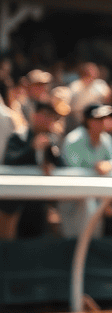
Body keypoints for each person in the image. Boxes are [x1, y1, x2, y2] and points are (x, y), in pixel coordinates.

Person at [1, 102, 65, 239]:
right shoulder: (19, 136)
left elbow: (62, 167)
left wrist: (51, 159)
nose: (48, 121)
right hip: (16, 206)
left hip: (39, 206)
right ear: (35, 116)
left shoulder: (52, 141)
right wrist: (32, 148)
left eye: (51, 117)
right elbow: (10, 161)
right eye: (45, 116)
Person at [58, 103, 112, 238]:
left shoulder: (105, 138)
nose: (103, 122)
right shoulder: (74, 140)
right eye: (98, 119)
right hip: (73, 199)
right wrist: (95, 167)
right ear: (88, 121)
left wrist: (108, 165)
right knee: (73, 238)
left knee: (94, 237)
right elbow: (73, 172)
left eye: (104, 119)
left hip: (95, 197)